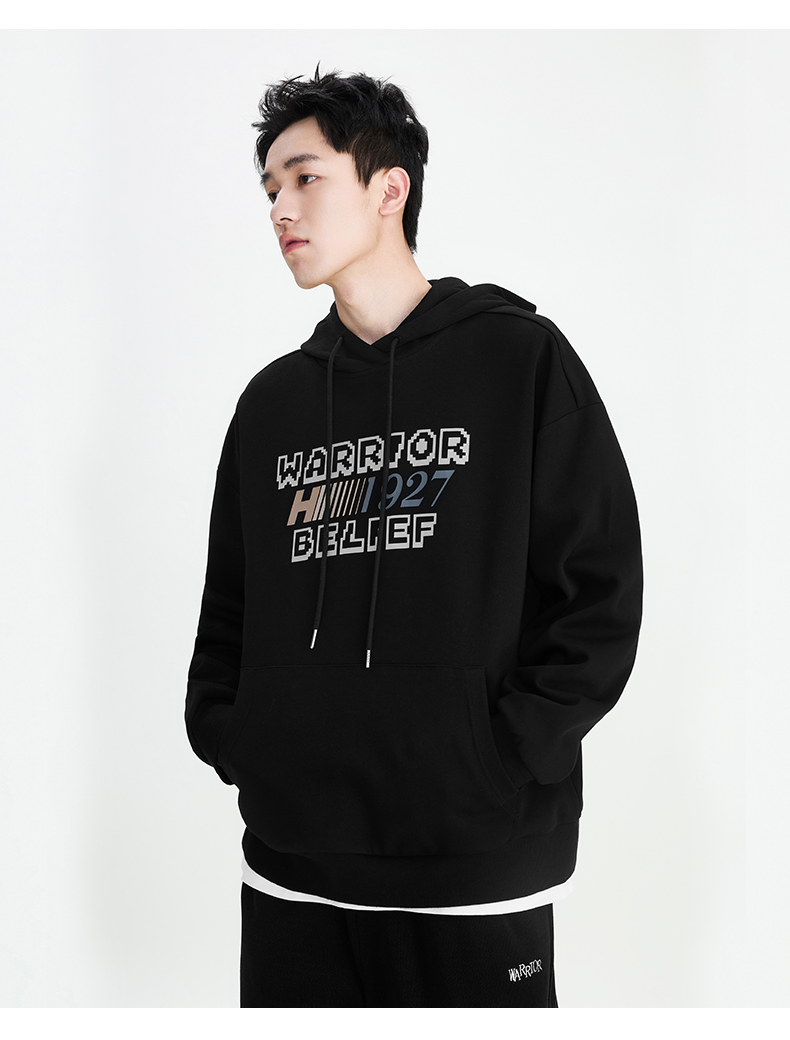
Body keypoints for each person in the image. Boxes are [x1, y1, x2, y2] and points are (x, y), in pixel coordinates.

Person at [184, 67, 643, 1008]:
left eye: (306, 178)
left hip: (474, 873)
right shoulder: (272, 405)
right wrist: (243, 740)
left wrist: (500, 756)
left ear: (389, 188)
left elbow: (597, 594)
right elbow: (229, 604)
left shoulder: (518, 360)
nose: (280, 209)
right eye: (270, 189)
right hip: (293, 871)